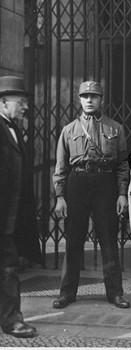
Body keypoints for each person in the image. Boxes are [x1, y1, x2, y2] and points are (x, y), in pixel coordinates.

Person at [52, 80, 130, 309]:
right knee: (74, 240)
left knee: (108, 240)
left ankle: (115, 293)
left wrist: (122, 193)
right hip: (78, 183)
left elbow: (122, 164)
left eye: (93, 96)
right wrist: (60, 196)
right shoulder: (69, 130)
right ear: (79, 100)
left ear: (101, 99)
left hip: (105, 184)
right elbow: (61, 166)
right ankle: (67, 293)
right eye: (84, 96)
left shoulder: (115, 128)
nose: (89, 100)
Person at [0, 76, 40, 338]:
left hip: (9, 216)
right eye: (21, 101)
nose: (26, 106)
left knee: (8, 265)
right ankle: (12, 320)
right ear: (4, 102)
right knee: (8, 267)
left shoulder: (13, 128)